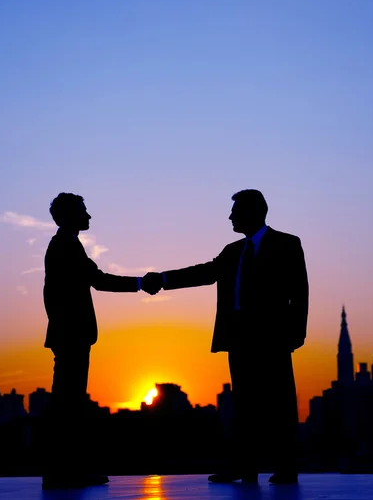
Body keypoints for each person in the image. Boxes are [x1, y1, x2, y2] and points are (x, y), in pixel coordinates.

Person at [142, 189, 308, 485]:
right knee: (244, 405)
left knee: (279, 404)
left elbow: (300, 293)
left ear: (254, 212)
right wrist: (163, 279)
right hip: (240, 339)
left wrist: (295, 336)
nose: (230, 216)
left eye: (235, 211)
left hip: (273, 340)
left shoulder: (287, 244)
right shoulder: (232, 251)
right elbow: (204, 273)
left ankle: (286, 468)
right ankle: (245, 469)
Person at [41, 193, 158, 490]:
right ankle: (65, 472)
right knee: (69, 405)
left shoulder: (66, 245)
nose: (89, 216)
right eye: (84, 211)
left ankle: (65, 471)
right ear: (69, 216)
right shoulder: (66, 246)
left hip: (69, 335)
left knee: (69, 404)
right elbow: (99, 280)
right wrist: (141, 284)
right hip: (71, 335)